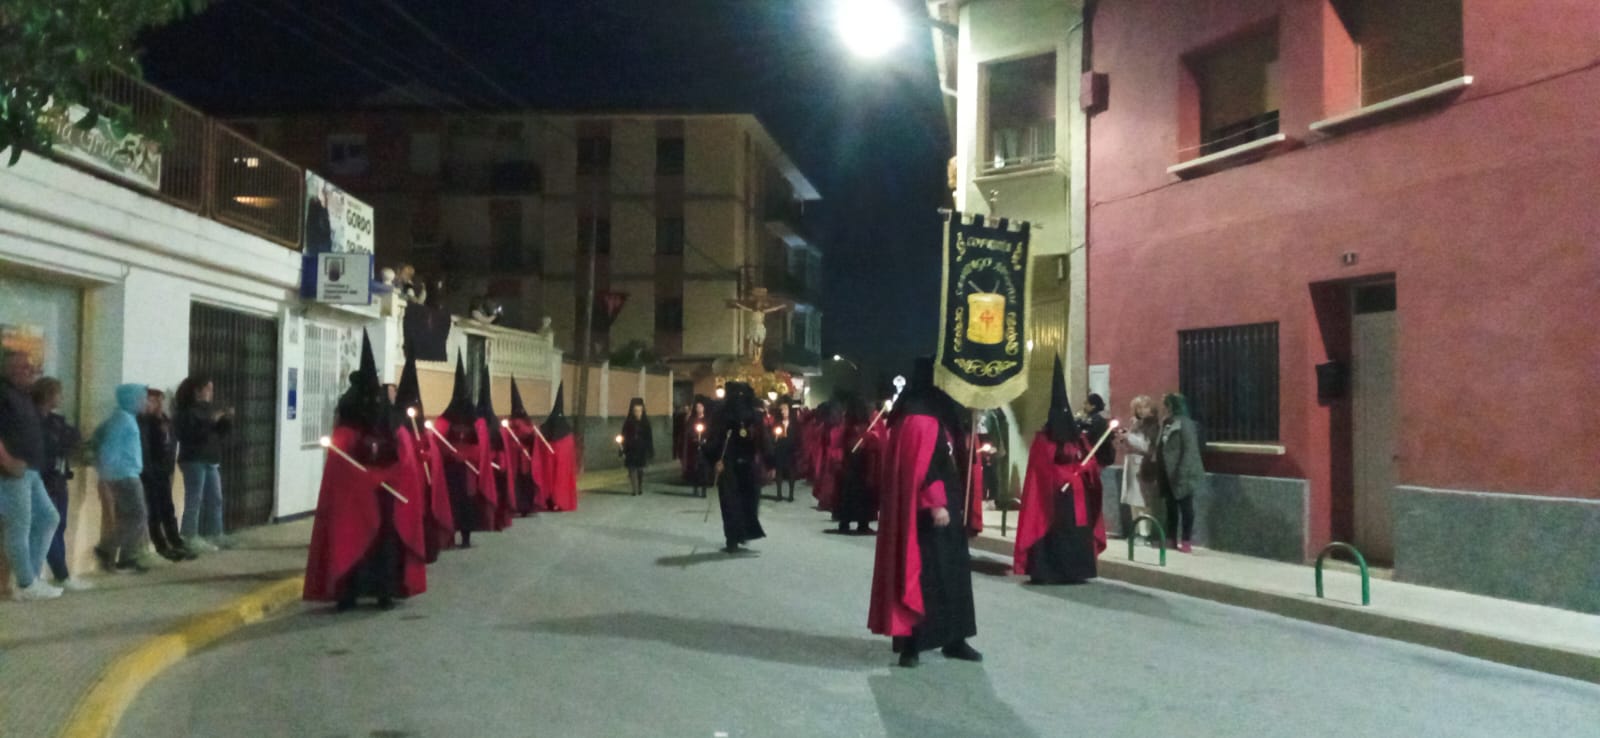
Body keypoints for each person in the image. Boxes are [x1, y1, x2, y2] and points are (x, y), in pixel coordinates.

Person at [869, 358, 982, 668]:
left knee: (952, 575)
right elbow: (924, 464)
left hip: (944, 506)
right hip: (929, 512)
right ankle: (913, 644)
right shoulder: (920, 417)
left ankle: (954, 638)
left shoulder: (927, 414)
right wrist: (936, 502)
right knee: (924, 575)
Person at [304, 332, 427, 611]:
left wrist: (383, 477)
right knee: (350, 541)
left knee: (384, 548)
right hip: (353, 503)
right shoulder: (347, 431)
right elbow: (340, 466)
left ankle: (384, 592)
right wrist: (367, 480)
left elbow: (404, 463)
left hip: (386, 502)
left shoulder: (393, 428)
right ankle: (348, 594)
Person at [1013, 358, 1106, 584]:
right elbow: (1040, 471)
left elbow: (1089, 460)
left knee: (1074, 532)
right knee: (1054, 531)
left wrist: (1085, 468)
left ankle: (1075, 570)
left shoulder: (1078, 438)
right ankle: (1050, 570)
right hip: (1053, 497)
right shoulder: (1044, 440)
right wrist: (1059, 477)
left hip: (1075, 495)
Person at [0, 349, 64, 601]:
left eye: (30, 367)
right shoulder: (3, 394)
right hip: (11, 472)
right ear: (7, 369)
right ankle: (27, 584)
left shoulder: (22, 396)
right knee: (19, 526)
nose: (28, 371)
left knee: (49, 517)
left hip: (30, 471)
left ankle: (31, 577)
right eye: (21, 367)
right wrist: (6, 460)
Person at [33, 378, 92, 590]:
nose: (61, 397)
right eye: (58, 393)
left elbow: (73, 437)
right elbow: (49, 448)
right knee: (49, 525)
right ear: (48, 395)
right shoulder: (35, 422)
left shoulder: (56, 421)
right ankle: (60, 574)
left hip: (59, 478)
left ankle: (60, 573)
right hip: (45, 479)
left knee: (59, 526)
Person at [394, 352, 453, 561]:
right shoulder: (398, 431)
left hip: (424, 482)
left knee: (425, 514)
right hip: (406, 485)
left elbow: (434, 456)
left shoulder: (425, 431)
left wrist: (426, 453)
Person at [433, 355, 495, 548]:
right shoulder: (447, 417)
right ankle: (449, 536)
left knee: (467, 504)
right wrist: (450, 453)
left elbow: (482, 443)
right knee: (450, 503)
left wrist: (469, 455)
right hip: (451, 469)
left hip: (468, 471)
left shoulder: (475, 418)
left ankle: (466, 536)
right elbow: (438, 438)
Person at [92, 383, 154, 573]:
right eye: (142, 399)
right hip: (124, 475)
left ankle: (126, 556)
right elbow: (108, 448)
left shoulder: (122, 417)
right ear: (132, 400)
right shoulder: (123, 420)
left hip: (123, 473)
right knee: (138, 516)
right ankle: (109, 548)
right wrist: (105, 473)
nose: (145, 403)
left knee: (129, 517)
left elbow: (98, 437)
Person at [705, 382, 767, 553]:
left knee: (749, 500)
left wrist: (768, 460)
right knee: (730, 502)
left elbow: (763, 440)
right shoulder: (720, 415)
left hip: (748, 463)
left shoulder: (754, 416)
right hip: (728, 463)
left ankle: (744, 532)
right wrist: (715, 460)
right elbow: (714, 440)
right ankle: (732, 538)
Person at [175, 375, 232, 551]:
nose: (210, 393)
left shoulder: (209, 409)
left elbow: (216, 434)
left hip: (210, 458)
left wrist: (225, 422)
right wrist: (211, 422)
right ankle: (189, 536)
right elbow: (190, 435)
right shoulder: (187, 411)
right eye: (207, 389)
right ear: (197, 391)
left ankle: (215, 534)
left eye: (211, 389)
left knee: (215, 498)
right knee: (195, 499)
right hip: (194, 459)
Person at [139, 388, 193, 562]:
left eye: (160, 401)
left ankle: (175, 541)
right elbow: (147, 449)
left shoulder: (165, 421)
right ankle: (161, 545)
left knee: (167, 509)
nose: (158, 405)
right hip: (150, 472)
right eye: (153, 401)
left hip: (163, 471)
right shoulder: (145, 422)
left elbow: (170, 446)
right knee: (153, 511)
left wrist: (169, 469)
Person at [1155, 393, 1206, 553]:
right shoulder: (1166, 423)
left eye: (1166, 404)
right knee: (1170, 507)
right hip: (1167, 472)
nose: (1163, 408)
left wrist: (1182, 471)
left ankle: (1186, 540)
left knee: (1186, 507)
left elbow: (1190, 450)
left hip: (1182, 472)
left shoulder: (1185, 424)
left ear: (1172, 406)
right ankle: (1171, 539)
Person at [833, 393, 883, 534]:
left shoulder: (853, 423)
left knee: (850, 494)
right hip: (858, 463)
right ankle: (861, 523)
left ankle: (846, 522)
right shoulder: (855, 424)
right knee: (860, 494)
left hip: (855, 463)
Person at [1115, 395, 1162, 544]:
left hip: (1143, 465)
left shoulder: (1152, 426)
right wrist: (1123, 439)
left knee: (1143, 501)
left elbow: (1147, 446)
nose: (1141, 411)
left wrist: (1130, 437)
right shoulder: (1135, 423)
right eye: (1138, 408)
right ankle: (1135, 531)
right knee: (1132, 501)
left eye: (1144, 407)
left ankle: (1145, 533)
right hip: (1131, 463)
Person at [476, 362, 515, 532]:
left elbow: (500, 446)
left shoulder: (494, 424)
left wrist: (500, 462)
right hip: (481, 465)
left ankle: (495, 520)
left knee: (497, 493)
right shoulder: (478, 423)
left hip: (496, 465)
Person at [535, 383, 579, 512]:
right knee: (550, 481)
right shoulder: (551, 430)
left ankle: (558, 501)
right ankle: (550, 500)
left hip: (560, 466)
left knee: (559, 481)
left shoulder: (566, 434)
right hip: (549, 464)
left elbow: (568, 454)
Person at [504, 378, 542, 517]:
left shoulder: (526, 424)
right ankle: (518, 505)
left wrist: (530, 433)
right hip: (515, 460)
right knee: (517, 483)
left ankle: (526, 506)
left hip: (525, 459)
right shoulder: (509, 425)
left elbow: (531, 436)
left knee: (525, 483)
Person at [619, 398, 654, 497]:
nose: (638, 413)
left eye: (640, 411)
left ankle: (639, 486)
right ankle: (634, 489)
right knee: (631, 469)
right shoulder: (628, 423)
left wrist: (650, 450)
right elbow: (623, 436)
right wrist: (622, 449)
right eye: (635, 411)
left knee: (640, 470)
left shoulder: (646, 423)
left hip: (641, 450)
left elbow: (649, 438)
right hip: (630, 449)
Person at [768, 399, 801, 502]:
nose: (783, 411)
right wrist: (775, 437)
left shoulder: (795, 423)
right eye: (781, 409)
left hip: (790, 450)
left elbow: (798, 436)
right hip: (780, 449)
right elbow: (773, 436)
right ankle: (779, 494)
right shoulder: (777, 423)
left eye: (785, 409)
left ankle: (791, 494)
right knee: (779, 471)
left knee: (791, 472)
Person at [680, 397, 712, 496]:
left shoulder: (707, 420)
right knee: (695, 468)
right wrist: (694, 438)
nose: (699, 409)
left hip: (705, 449)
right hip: (694, 448)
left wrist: (705, 440)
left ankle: (704, 489)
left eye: (700, 407)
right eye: (697, 407)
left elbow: (710, 432)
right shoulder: (692, 420)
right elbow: (688, 432)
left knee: (704, 469)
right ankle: (696, 487)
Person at [1082, 393, 1117, 468]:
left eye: (1086, 403)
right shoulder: (1099, 418)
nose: (1084, 406)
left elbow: (1091, 438)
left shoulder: (1095, 420)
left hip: (1098, 456)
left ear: (1093, 406)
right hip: (1101, 455)